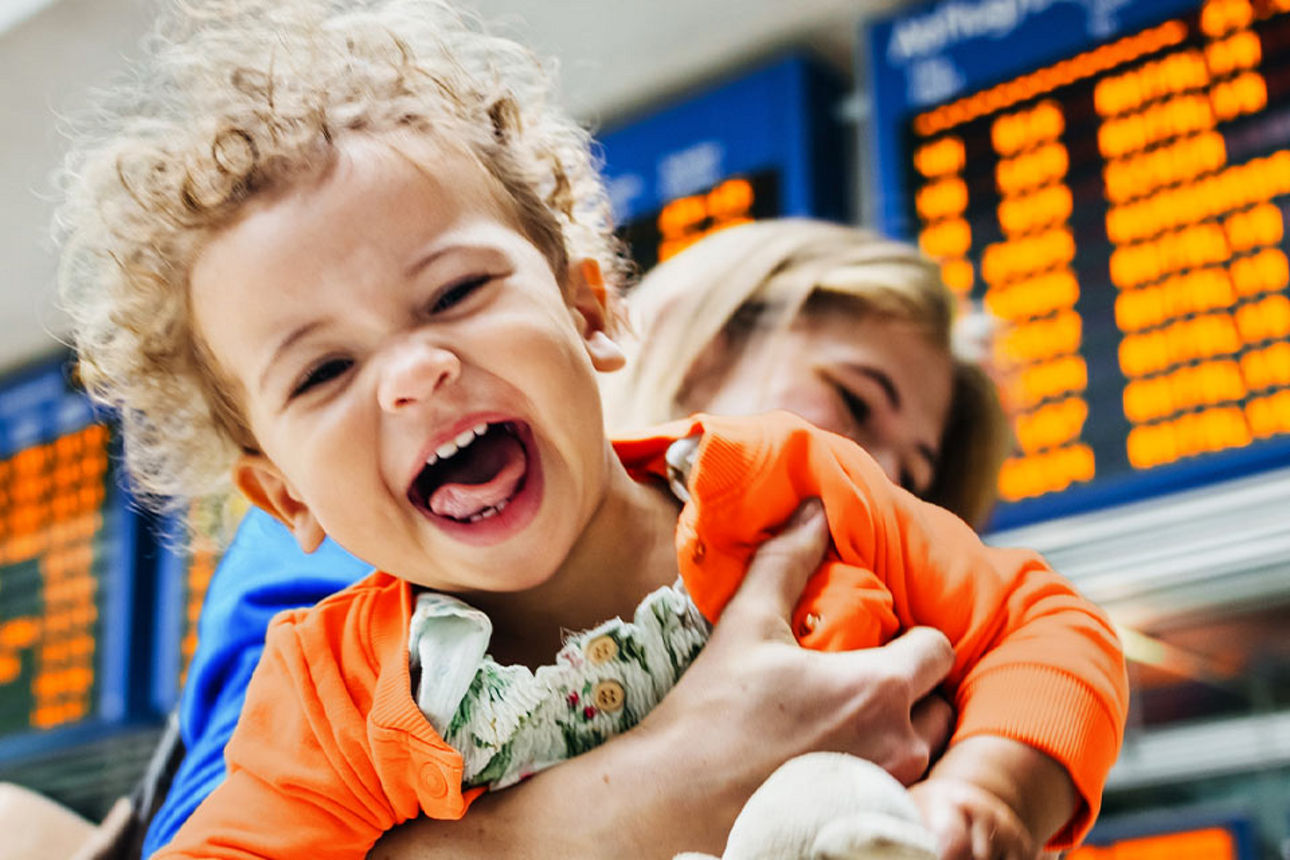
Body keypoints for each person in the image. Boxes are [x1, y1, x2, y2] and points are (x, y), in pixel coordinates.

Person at [57, 1, 1127, 857]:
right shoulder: (327, 698)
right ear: (287, 495)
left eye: (456, 290)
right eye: (326, 368)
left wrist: (995, 785)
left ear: (589, 308)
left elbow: (1044, 622)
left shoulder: (797, 489)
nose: (414, 369)